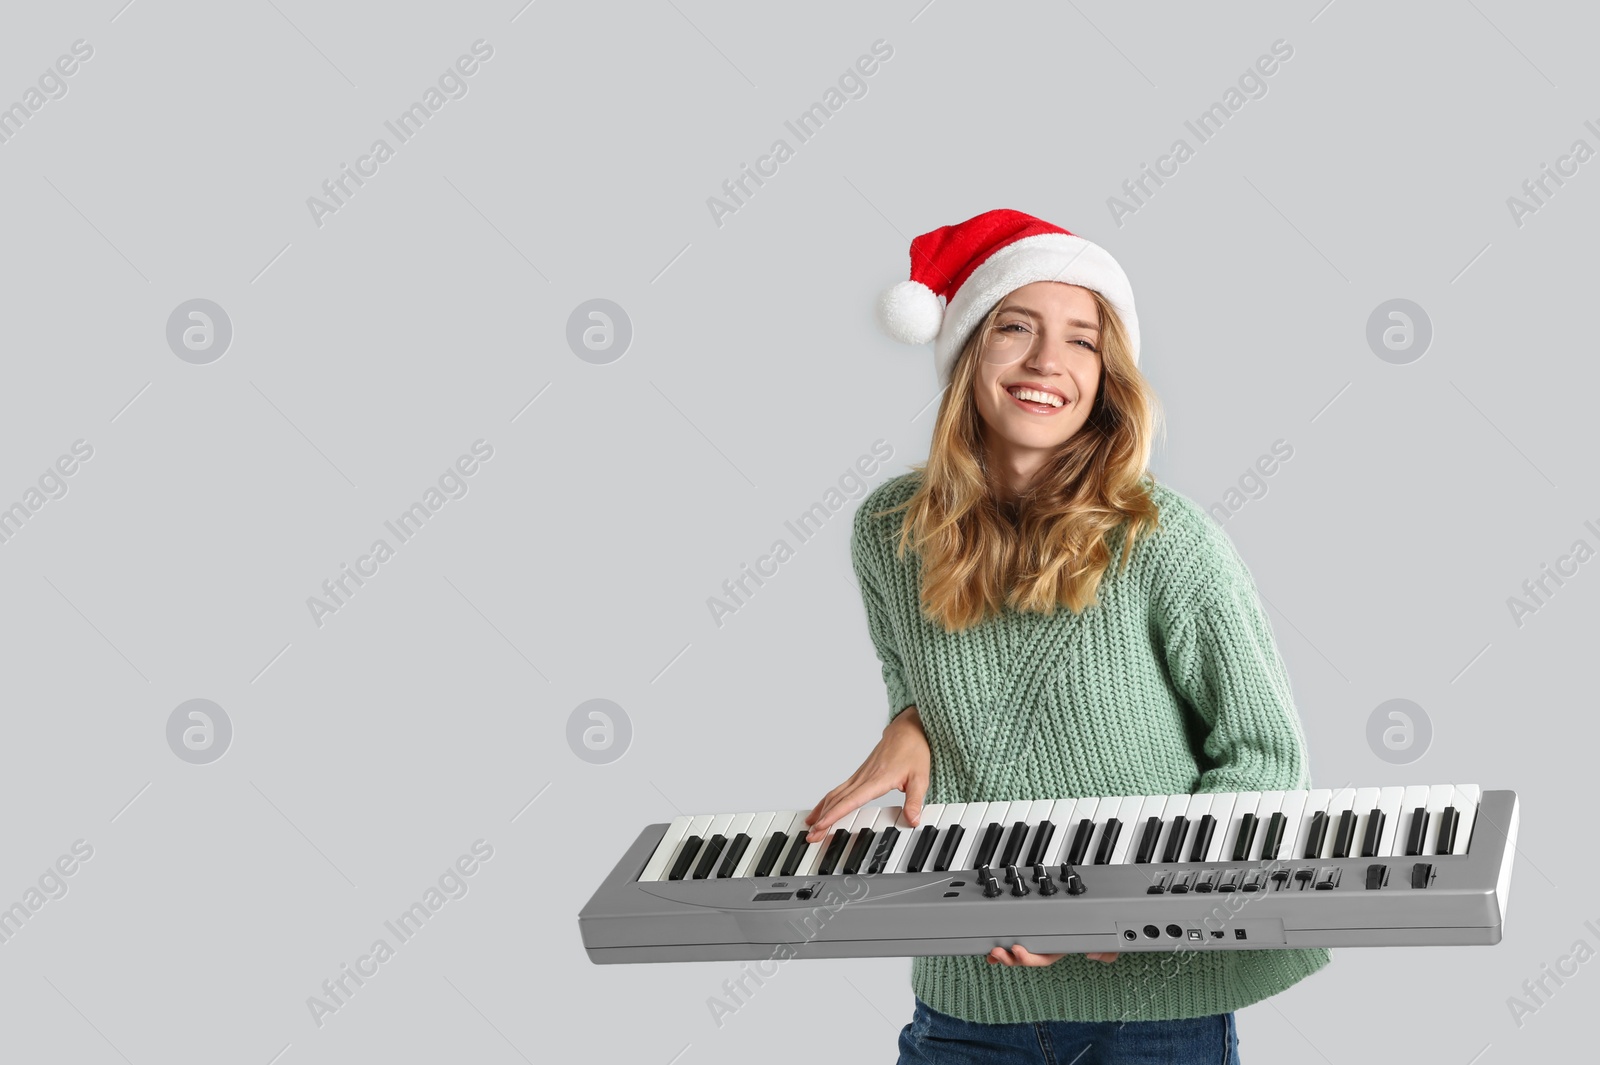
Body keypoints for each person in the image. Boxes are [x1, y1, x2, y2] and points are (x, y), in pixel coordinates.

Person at [804, 209, 1330, 1064]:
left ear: (1106, 374)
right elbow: (928, 683)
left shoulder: (1164, 539)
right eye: (1017, 327)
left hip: (1157, 1009)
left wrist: (1130, 905)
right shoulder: (887, 534)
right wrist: (911, 719)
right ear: (969, 349)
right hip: (968, 1005)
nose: (1050, 361)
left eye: (1083, 340)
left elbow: (1266, 758)